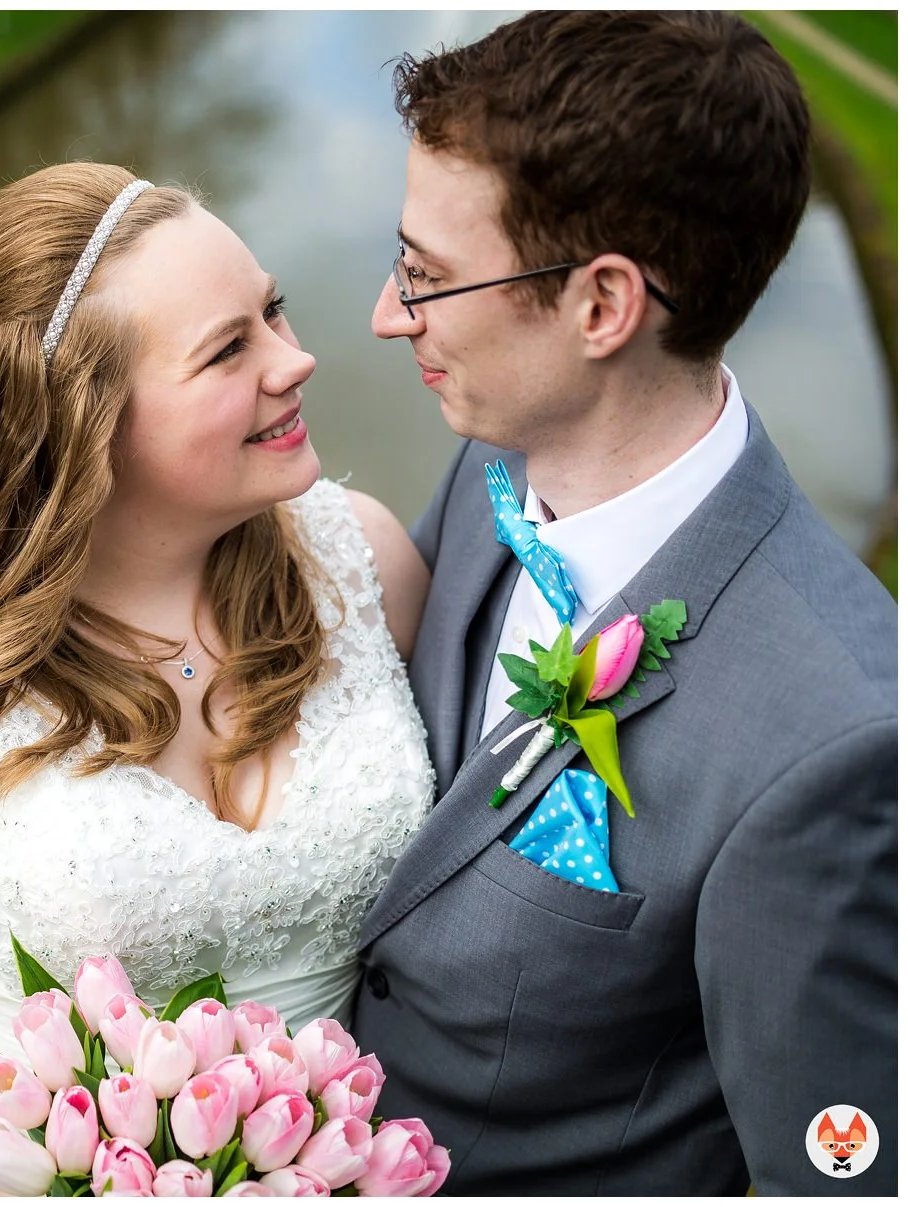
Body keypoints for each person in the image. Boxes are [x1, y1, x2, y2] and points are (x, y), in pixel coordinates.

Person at [0, 161, 437, 1195]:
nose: (296, 359)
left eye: (272, 310)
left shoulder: (362, 564)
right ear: (86, 421)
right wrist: (33, 1185)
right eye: (228, 349)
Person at [352, 11, 897, 1196]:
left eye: (428, 277)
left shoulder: (836, 743)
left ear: (601, 306)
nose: (390, 315)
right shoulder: (494, 455)